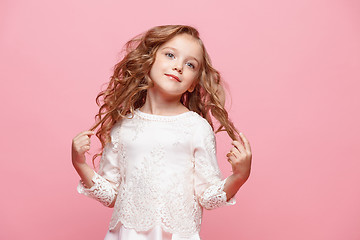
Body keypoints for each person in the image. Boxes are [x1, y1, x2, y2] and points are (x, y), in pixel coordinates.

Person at [72, 25, 252, 240]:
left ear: (193, 84)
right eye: (170, 55)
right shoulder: (123, 127)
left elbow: (207, 197)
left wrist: (240, 176)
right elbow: (111, 195)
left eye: (190, 64)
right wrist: (80, 164)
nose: (178, 67)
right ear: (149, 60)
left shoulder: (196, 127)